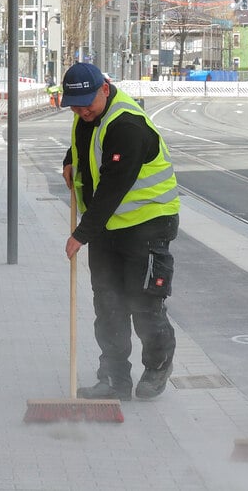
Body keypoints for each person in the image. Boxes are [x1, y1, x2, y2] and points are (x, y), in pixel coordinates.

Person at [60, 62, 180, 401]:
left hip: (148, 225)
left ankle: (158, 364)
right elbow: (84, 145)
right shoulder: (87, 114)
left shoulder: (128, 125)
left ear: (105, 88)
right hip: (108, 228)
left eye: (87, 103)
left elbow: (113, 188)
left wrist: (81, 234)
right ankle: (114, 379)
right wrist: (70, 160)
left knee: (144, 304)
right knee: (108, 305)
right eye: (75, 105)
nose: (82, 111)